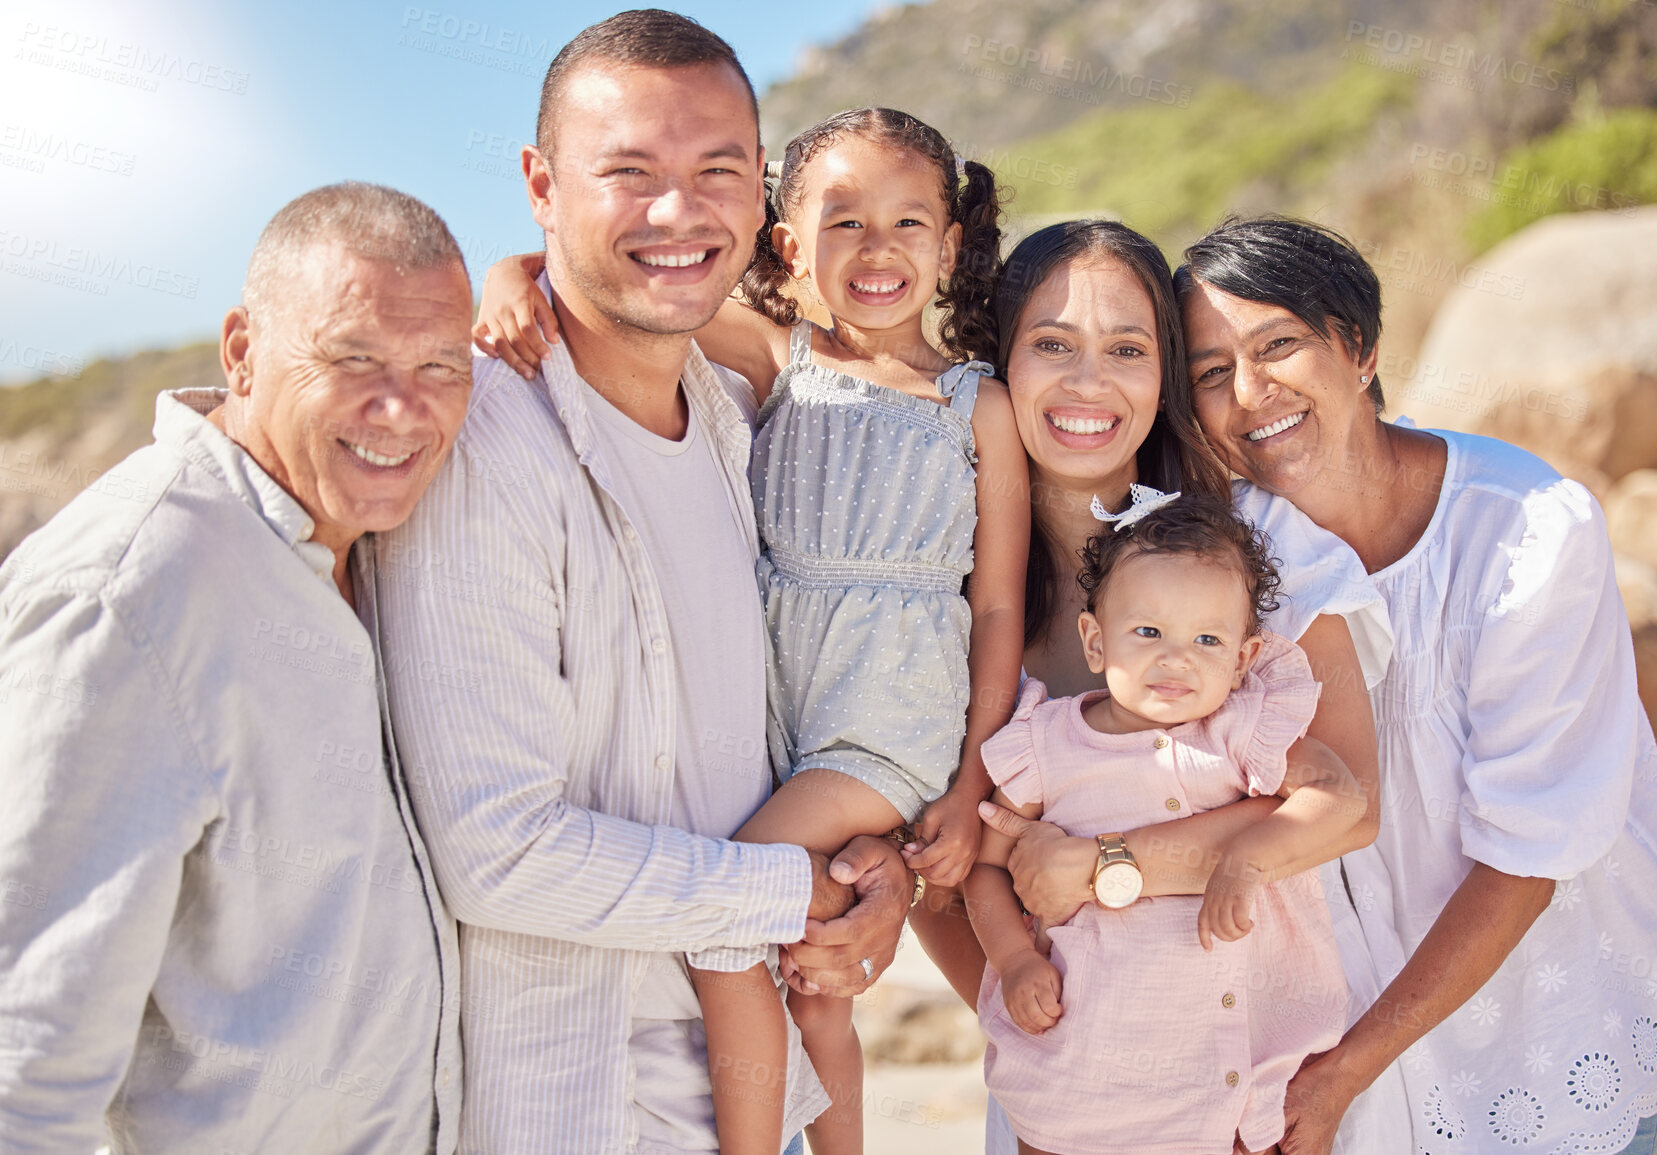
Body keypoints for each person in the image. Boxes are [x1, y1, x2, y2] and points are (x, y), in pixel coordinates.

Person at [376, 13, 914, 1155]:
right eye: (630, 174)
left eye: (718, 171)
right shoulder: (485, 448)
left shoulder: (732, 424)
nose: (680, 213)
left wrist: (870, 873)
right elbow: (497, 852)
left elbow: (753, 742)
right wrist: (786, 894)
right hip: (573, 1109)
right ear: (540, 183)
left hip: (741, 1106)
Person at [475, 106, 1027, 1154]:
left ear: (949, 246)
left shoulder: (975, 407)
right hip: (780, 713)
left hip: (885, 722)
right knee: (814, 987)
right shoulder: (782, 358)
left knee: (728, 921)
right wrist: (506, 288)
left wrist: (965, 786)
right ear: (787, 244)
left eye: (910, 224)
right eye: (844, 222)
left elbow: (996, 606)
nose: (877, 250)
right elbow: (583, 283)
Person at [1165, 215, 1657, 1155]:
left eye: (1278, 346)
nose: (1250, 395)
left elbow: (1527, 857)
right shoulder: (1228, 558)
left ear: (1360, 348)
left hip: (1552, 1026)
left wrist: (1343, 1072)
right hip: (1350, 1074)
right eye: (1213, 373)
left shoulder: (1529, 531)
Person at [0, 182, 471, 1152]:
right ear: (244, 352)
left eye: (438, 364)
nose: (403, 408)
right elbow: (24, 1061)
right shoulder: (131, 597)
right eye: (352, 358)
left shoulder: (384, 549)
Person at [968, 491, 1361, 1155]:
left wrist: (1249, 858)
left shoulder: (1243, 732)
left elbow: (1339, 794)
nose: (1176, 658)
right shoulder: (1046, 742)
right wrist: (1011, 958)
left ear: (1241, 659)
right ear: (1095, 639)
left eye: (1207, 638)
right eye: (1148, 632)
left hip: (1233, 1074)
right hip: (1084, 1065)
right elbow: (984, 868)